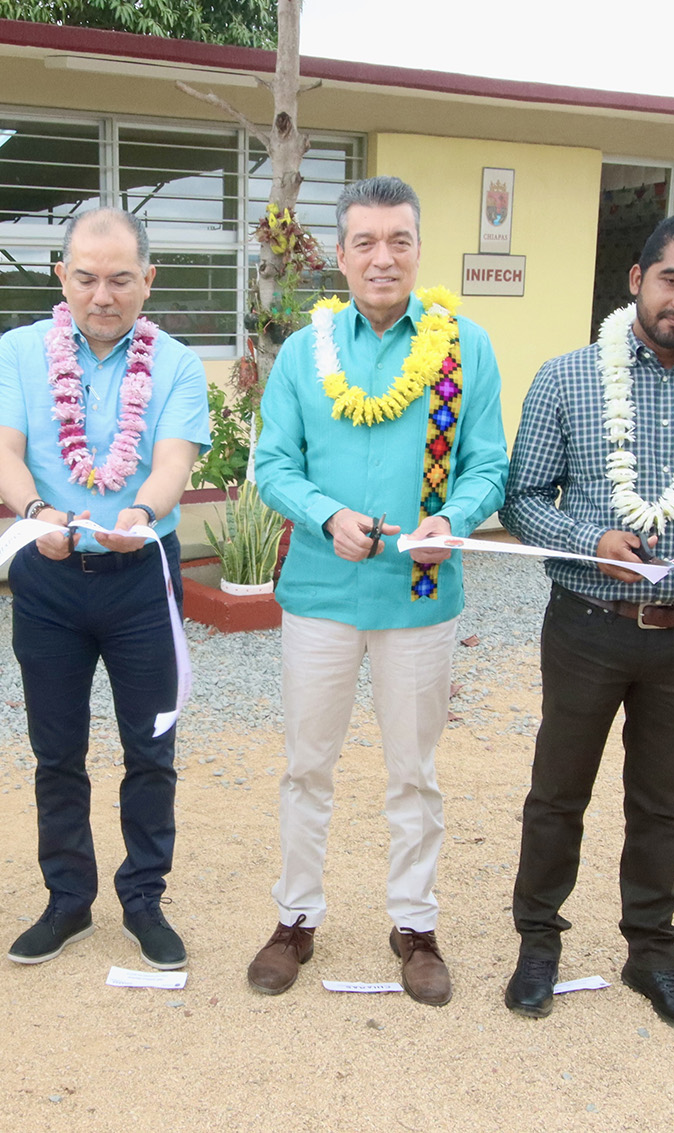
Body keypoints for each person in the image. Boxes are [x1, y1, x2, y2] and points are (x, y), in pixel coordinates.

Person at [501, 211, 674, 1032]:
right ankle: (537, 944)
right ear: (636, 279)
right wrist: (591, 538)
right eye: (672, 278)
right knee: (558, 791)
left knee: (660, 801)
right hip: (588, 619)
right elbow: (522, 499)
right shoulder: (567, 377)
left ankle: (652, 954)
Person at [242, 177, 505, 1006]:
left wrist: (453, 515)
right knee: (306, 766)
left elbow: (488, 463)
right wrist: (324, 516)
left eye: (398, 240)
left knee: (414, 772)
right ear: (343, 253)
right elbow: (272, 464)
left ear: (417, 248)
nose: (382, 257)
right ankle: (296, 918)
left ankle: (414, 923)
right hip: (320, 590)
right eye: (365, 241)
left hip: (419, 596)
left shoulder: (465, 345)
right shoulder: (303, 351)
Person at [0, 208, 209, 971]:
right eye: (85, 277)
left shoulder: (173, 363)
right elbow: (3, 452)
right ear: (61, 277)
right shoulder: (17, 353)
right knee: (56, 748)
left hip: (142, 573)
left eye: (119, 278)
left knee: (151, 748)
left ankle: (144, 897)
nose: (101, 295)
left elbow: (172, 460)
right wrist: (36, 511)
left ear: (147, 280)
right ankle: (68, 899)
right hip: (48, 574)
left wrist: (142, 510)